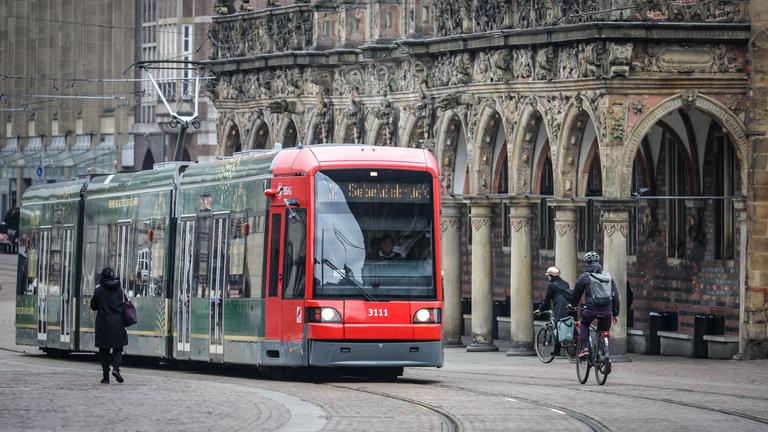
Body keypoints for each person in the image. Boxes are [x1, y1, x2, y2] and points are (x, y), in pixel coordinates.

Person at [569, 251, 620, 358]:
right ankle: (605, 356)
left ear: (586, 263)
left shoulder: (585, 276)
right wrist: (615, 313)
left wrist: (573, 305)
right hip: (607, 310)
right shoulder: (608, 277)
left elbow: (577, 293)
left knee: (584, 324)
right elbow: (615, 296)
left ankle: (585, 348)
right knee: (604, 331)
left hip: (591, 310)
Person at [90, 267, 128, 384]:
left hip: (103, 325)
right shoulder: (119, 289)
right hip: (117, 324)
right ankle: (116, 368)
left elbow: (93, 306)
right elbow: (125, 303)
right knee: (118, 349)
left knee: (104, 351)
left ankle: (106, 377)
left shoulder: (99, 290)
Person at [534, 266, 572, 356]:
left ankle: (557, 350)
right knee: (569, 324)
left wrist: (540, 309)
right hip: (569, 307)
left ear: (551, 276)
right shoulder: (565, 283)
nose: (548, 277)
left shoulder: (551, 285)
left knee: (559, 327)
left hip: (560, 308)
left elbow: (547, 299)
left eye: (548, 275)